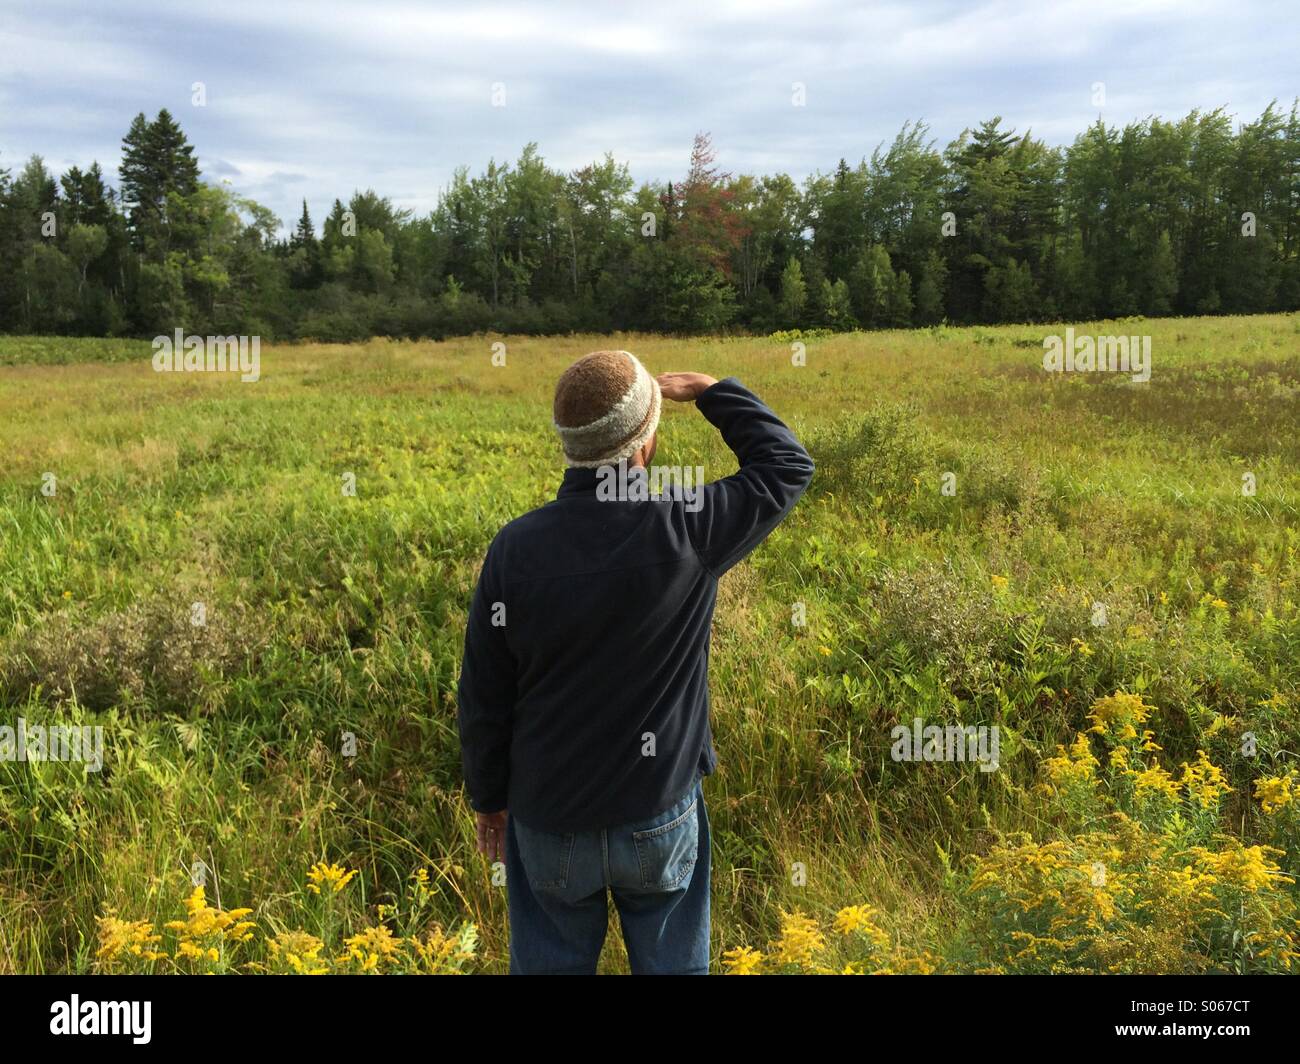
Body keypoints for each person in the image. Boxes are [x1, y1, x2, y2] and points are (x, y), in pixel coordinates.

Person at [457, 350, 814, 974]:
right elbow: (786, 464)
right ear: (644, 445)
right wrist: (711, 392)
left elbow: (484, 693)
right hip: (658, 813)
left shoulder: (513, 550)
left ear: (568, 447)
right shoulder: (687, 527)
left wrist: (489, 800)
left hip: (549, 821)